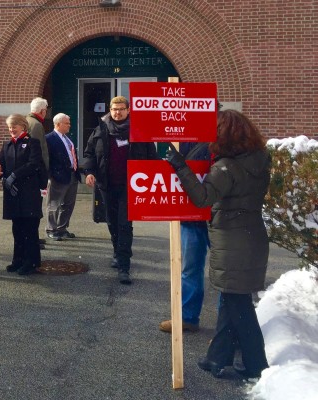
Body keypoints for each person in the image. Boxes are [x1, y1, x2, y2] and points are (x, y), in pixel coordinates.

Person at [165, 109, 271, 379]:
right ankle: (217, 358)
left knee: (238, 306)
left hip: (232, 239)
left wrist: (180, 166)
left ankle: (256, 365)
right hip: (252, 236)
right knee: (233, 299)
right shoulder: (259, 159)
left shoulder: (227, 167)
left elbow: (203, 197)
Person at [80, 96, 158, 285]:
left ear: (128, 110)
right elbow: (89, 153)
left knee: (124, 224)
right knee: (112, 221)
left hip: (131, 186)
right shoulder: (101, 129)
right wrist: (89, 171)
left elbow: (151, 158)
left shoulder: (139, 131)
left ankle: (124, 266)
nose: (117, 112)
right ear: (110, 109)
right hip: (107, 185)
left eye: (121, 109)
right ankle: (117, 251)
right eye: (114, 109)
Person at [159, 142, 211, 333]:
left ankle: (227, 329)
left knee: (226, 274)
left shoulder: (222, 136)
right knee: (190, 267)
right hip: (191, 213)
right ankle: (187, 317)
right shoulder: (180, 138)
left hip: (218, 216)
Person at [0, 114, 47, 275]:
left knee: (29, 229)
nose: (11, 129)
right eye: (10, 127)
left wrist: (14, 176)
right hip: (12, 193)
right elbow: (1, 166)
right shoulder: (7, 145)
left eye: (14, 126)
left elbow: (34, 164)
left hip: (28, 192)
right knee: (17, 228)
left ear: (23, 126)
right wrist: (2, 176)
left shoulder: (33, 143)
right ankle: (17, 260)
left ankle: (30, 262)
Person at [45, 113, 81, 241]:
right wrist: (51, 175)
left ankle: (62, 228)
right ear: (58, 124)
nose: (69, 125)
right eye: (67, 123)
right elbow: (47, 159)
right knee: (54, 203)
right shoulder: (49, 138)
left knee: (68, 204)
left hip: (72, 175)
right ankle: (51, 229)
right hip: (58, 177)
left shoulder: (67, 138)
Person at [27, 97, 50, 249]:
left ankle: (33, 237)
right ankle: (32, 239)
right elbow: (37, 151)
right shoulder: (36, 125)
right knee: (34, 208)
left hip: (32, 172)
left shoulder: (29, 121)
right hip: (36, 173)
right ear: (42, 111)